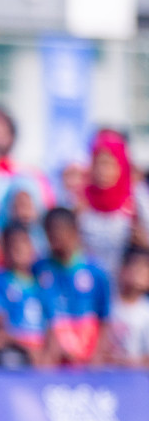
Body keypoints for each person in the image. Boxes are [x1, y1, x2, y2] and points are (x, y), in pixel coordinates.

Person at [35, 206, 112, 366]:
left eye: (60, 229)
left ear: (74, 230)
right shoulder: (39, 269)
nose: (55, 235)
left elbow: (104, 317)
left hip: (87, 359)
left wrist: (97, 355)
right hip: (53, 359)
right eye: (50, 230)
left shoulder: (96, 271)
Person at [0, 224, 52, 368]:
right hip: (17, 350)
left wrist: (47, 354)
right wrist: (29, 348)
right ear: (4, 249)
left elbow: (52, 324)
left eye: (23, 242)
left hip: (42, 351)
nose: (18, 248)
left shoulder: (43, 284)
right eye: (12, 244)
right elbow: (1, 330)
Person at [76, 128, 138, 278]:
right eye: (99, 164)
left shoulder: (135, 203)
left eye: (110, 164)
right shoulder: (80, 202)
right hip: (89, 284)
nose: (103, 171)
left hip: (124, 286)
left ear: (121, 167)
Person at [108, 247, 149, 367]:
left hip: (136, 381)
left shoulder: (146, 312)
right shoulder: (107, 305)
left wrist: (125, 362)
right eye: (134, 266)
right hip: (104, 379)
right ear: (122, 269)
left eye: (144, 269)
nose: (137, 273)